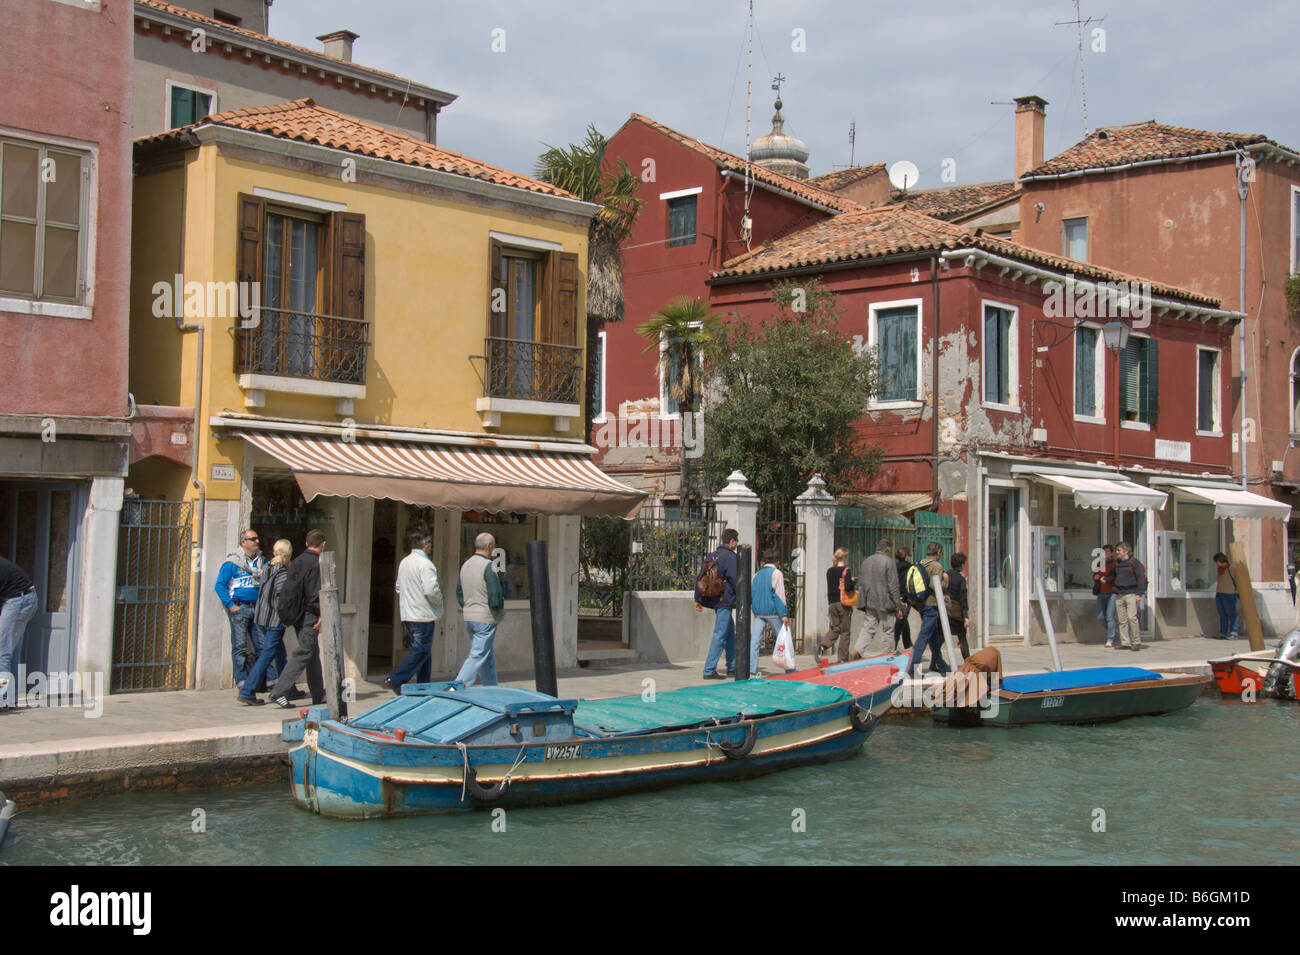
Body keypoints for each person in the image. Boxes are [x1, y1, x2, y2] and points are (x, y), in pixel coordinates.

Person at [268, 530, 326, 708]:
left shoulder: (298, 561)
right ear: (323, 544)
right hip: (309, 614)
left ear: (307, 544)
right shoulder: (316, 563)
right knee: (304, 652)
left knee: (312, 653)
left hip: (297, 613)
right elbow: (314, 594)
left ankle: (318, 694)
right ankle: (280, 691)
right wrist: (320, 614)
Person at [388, 528, 444, 692]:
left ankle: (423, 684)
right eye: (430, 542)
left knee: (424, 651)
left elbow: (398, 587)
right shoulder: (425, 564)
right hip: (422, 615)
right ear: (425, 544)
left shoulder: (405, 562)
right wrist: (440, 601)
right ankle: (396, 678)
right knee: (421, 650)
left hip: (408, 613)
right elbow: (431, 590)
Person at [239, 539, 293, 705]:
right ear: (289, 554)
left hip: (262, 617)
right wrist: (286, 616)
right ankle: (248, 690)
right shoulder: (281, 572)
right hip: (274, 620)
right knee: (267, 655)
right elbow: (280, 598)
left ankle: (288, 689)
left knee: (280, 655)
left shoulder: (267, 567)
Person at [213, 529, 265, 689]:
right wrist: (231, 606)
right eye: (253, 539)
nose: (257, 541)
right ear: (244, 542)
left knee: (262, 645)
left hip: (256, 608)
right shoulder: (232, 563)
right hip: (240, 608)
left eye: (257, 539)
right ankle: (242, 680)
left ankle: (265, 680)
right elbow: (219, 585)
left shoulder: (261, 562)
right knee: (240, 646)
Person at [455, 533, 504, 686]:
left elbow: (459, 592)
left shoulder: (466, 564)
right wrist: (498, 608)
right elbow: (495, 595)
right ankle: (456, 687)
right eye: (494, 545)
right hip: (485, 617)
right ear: (489, 546)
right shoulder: (488, 566)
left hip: (469, 616)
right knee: (478, 655)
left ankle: (491, 687)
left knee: (486, 655)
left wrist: (468, 606)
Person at [695, 528, 739, 679]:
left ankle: (732, 666)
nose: (736, 544)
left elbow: (701, 576)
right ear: (732, 541)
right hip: (724, 600)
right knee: (720, 634)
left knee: (730, 633)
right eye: (736, 541)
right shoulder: (730, 557)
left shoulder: (712, 555)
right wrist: (744, 598)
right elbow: (735, 580)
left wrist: (698, 599)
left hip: (714, 599)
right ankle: (709, 669)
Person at [906, 542, 951, 677]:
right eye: (941, 553)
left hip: (920, 602)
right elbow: (935, 585)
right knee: (924, 635)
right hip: (931, 604)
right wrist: (946, 580)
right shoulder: (936, 566)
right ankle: (913, 665)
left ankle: (940, 664)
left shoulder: (921, 563)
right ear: (938, 553)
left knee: (933, 636)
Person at [0, 556, 38, 710]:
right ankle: (10, 699)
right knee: (11, 651)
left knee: (2, 651)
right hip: (24, 597)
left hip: (18, 600)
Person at [855, 538, 901, 659]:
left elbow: (862, 583)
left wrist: (863, 601)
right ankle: (887, 656)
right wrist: (898, 605)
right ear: (888, 549)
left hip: (870, 601)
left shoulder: (867, 561)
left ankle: (857, 650)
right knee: (888, 631)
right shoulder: (889, 562)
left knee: (868, 629)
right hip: (886, 603)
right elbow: (893, 586)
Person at [750, 549, 788, 676]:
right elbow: (779, 594)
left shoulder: (756, 575)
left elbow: (753, 593)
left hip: (758, 613)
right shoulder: (777, 573)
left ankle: (752, 668)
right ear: (776, 561)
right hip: (772, 612)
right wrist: (784, 614)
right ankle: (789, 668)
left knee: (755, 641)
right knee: (783, 639)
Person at [1105, 541, 1147, 651]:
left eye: (1119, 550)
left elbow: (1141, 579)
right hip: (1119, 594)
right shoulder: (1117, 563)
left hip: (1131, 594)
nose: (1117, 552)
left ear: (1126, 551)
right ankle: (1125, 642)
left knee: (1132, 618)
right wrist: (1105, 579)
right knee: (1121, 620)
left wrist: (1139, 593)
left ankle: (1136, 641)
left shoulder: (1135, 563)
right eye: (1116, 550)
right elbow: (1112, 576)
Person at [821, 548, 854, 663]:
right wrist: (853, 581)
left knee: (835, 628)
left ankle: (823, 645)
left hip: (832, 603)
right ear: (844, 557)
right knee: (845, 631)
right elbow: (848, 587)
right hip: (842, 603)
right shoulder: (846, 570)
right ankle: (842, 658)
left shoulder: (829, 571)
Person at [946, 552, 971, 660]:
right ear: (961, 565)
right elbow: (963, 599)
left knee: (941, 637)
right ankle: (968, 661)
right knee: (962, 638)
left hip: (945, 610)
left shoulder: (946, 575)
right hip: (957, 612)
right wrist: (966, 616)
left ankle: (934, 662)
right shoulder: (961, 580)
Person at [1093, 544, 1118, 648]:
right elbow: (1095, 575)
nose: (1105, 554)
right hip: (1101, 592)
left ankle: (1110, 638)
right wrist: (1096, 577)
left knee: (1109, 616)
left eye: (1107, 552)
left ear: (1111, 553)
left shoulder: (1115, 563)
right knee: (1100, 616)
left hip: (1112, 592)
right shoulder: (1100, 563)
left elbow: (1116, 577)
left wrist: (1107, 579)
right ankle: (1112, 631)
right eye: (1103, 552)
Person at [1214, 552, 1239, 640]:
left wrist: (1237, 592)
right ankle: (1223, 633)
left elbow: (1238, 580)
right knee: (1222, 614)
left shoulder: (1231, 568)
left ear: (1220, 560)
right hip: (1219, 593)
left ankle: (1234, 632)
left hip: (1230, 594)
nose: (1216, 564)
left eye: (1216, 561)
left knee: (1232, 614)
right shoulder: (1219, 569)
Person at [893, 546, 914, 651]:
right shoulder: (910, 568)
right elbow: (908, 585)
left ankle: (908, 646)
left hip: (895, 597)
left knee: (904, 624)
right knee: (899, 626)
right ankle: (892, 650)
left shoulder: (894, 567)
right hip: (904, 599)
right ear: (906, 556)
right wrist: (905, 599)